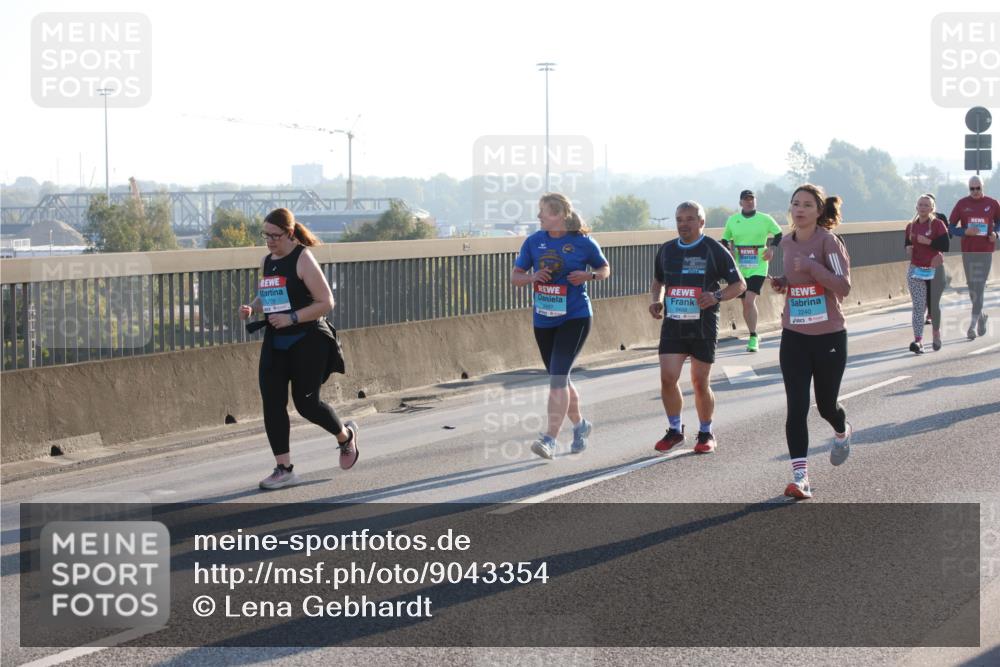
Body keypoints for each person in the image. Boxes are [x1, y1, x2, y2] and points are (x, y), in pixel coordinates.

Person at [238, 208, 359, 490]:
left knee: (306, 405)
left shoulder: (303, 258)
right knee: (272, 402)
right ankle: (284, 468)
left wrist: (292, 317)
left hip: (307, 340)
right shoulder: (268, 261)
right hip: (276, 341)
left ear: (289, 234)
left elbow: (326, 302)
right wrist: (253, 307)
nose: (269, 241)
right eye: (265, 235)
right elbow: (271, 292)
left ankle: (345, 437)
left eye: (274, 236)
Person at [511, 193, 610, 459]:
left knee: (557, 378)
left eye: (543, 212)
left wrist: (588, 275)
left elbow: (604, 269)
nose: (539, 216)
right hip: (544, 318)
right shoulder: (533, 242)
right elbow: (515, 277)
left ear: (558, 215)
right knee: (560, 378)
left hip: (575, 317)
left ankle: (549, 439)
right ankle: (580, 425)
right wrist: (532, 276)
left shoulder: (583, 243)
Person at [770, 184, 852, 499]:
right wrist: (784, 282)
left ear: (819, 211)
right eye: (795, 204)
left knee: (826, 406)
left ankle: (841, 430)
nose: (799, 209)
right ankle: (800, 477)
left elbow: (843, 287)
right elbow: (796, 279)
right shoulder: (787, 243)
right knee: (797, 408)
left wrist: (812, 266)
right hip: (794, 335)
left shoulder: (828, 242)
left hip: (829, 335)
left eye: (806, 204)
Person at [649, 201, 745, 455]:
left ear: (701, 222)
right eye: (680, 219)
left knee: (699, 382)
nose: (684, 224)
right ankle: (674, 430)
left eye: (690, 219)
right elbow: (659, 279)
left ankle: (705, 432)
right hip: (673, 325)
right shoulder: (667, 250)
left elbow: (739, 285)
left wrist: (716, 296)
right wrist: (656, 300)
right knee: (668, 378)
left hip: (702, 326)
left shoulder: (713, 249)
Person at [721, 189, 782, 352]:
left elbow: (778, 234)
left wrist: (772, 248)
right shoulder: (733, 220)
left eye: (752, 199)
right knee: (745, 303)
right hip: (740, 265)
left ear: (756, 201)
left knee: (749, 300)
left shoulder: (765, 219)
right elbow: (725, 239)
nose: (749, 202)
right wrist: (729, 251)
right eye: (746, 199)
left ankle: (753, 336)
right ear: (740, 202)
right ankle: (752, 332)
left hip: (759, 263)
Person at [948, 176, 1000, 340]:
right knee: (972, 288)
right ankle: (981, 316)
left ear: (982, 187)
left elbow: (999, 223)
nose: (975, 191)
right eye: (972, 188)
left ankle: (971, 326)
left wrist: (996, 234)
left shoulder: (992, 203)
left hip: (985, 252)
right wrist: (965, 232)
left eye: (978, 188)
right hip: (968, 252)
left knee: (979, 286)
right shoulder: (962, 204)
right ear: (968, 189)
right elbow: (950, 227)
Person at [904, 195, 949, 353]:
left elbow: (946, 244)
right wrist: (908, 248)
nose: (923, 207)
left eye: (926, 205)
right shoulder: (910, 226)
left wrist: (928, 242)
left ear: (932, 208)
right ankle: (918, 341)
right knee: (918, 306)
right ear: (916, 207)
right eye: (920, 205)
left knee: (933, 305)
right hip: (916, 269)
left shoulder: (938, 224)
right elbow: (908, 244)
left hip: (935, 269)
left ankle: (936, 333)